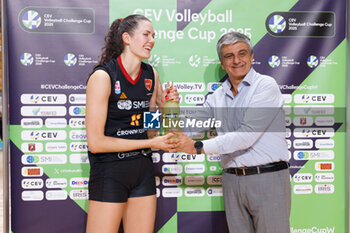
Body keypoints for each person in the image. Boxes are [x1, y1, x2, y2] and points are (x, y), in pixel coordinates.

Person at [170, 32, 291, 233]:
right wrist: (169, 104)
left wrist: (197, 147)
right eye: (229, 56)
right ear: (222, 62)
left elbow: (247, 135)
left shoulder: (265, 86)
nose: (236, 60)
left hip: (267, 178)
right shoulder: (217, 96)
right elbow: (188, 127)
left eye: (242, 53)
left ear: (252, 57)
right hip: (232, 181)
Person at [85, 14, 179, 233]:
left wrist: (168, 106)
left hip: (142, 170)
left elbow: (151, 131)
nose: (152, 40)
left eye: (153, 35)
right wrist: (149, 145)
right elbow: (96, 143)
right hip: (110, 170)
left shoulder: (151, 75)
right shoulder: (103, 76)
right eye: (146, 34)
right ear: (127, 38)